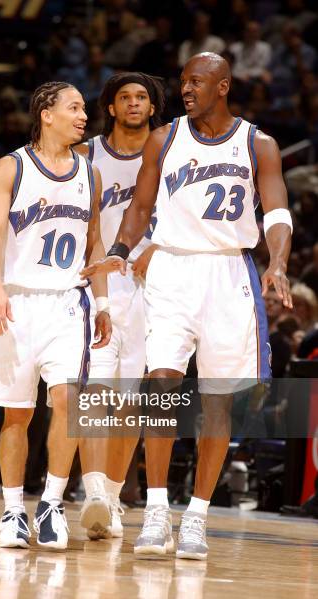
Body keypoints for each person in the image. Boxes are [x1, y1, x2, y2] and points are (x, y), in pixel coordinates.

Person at [82, 52, 293, 560]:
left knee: (218, 400)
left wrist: (279, 262)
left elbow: (278, 208)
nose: (186, 90)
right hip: (172, 269)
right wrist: (116, 252)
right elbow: (139, 207)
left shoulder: (257, 143)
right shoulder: (165, 137)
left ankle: (195, 516)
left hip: (228, 270)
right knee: (161, 385)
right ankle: (156, 509)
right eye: (183, 82)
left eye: (197, 82)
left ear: (223, 87)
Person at [0, 82, 111, 550]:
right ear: (46, 113)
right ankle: (12, 510)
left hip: (67, 302)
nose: (83, 116)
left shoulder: (90, 173)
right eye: (74, 108)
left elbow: (95, 242)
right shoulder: (12, 166)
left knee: (67, 402)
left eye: (84, 109)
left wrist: (103, 301)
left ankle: (50, 503)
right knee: (17, 414)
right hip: (16, 300)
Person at [74, 72, 165, 540]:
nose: (133, 103)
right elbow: (82, 225)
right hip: (98, 281)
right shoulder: (87, 155)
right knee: (94, 390)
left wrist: (159, 246)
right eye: (124, 97)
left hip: (153, 285)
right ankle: (91, 492)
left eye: (142, 97)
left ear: (152, 107)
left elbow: (181, 216)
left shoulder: (169, 150)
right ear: (110, 107)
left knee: (131, 397)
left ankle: (110, 498)